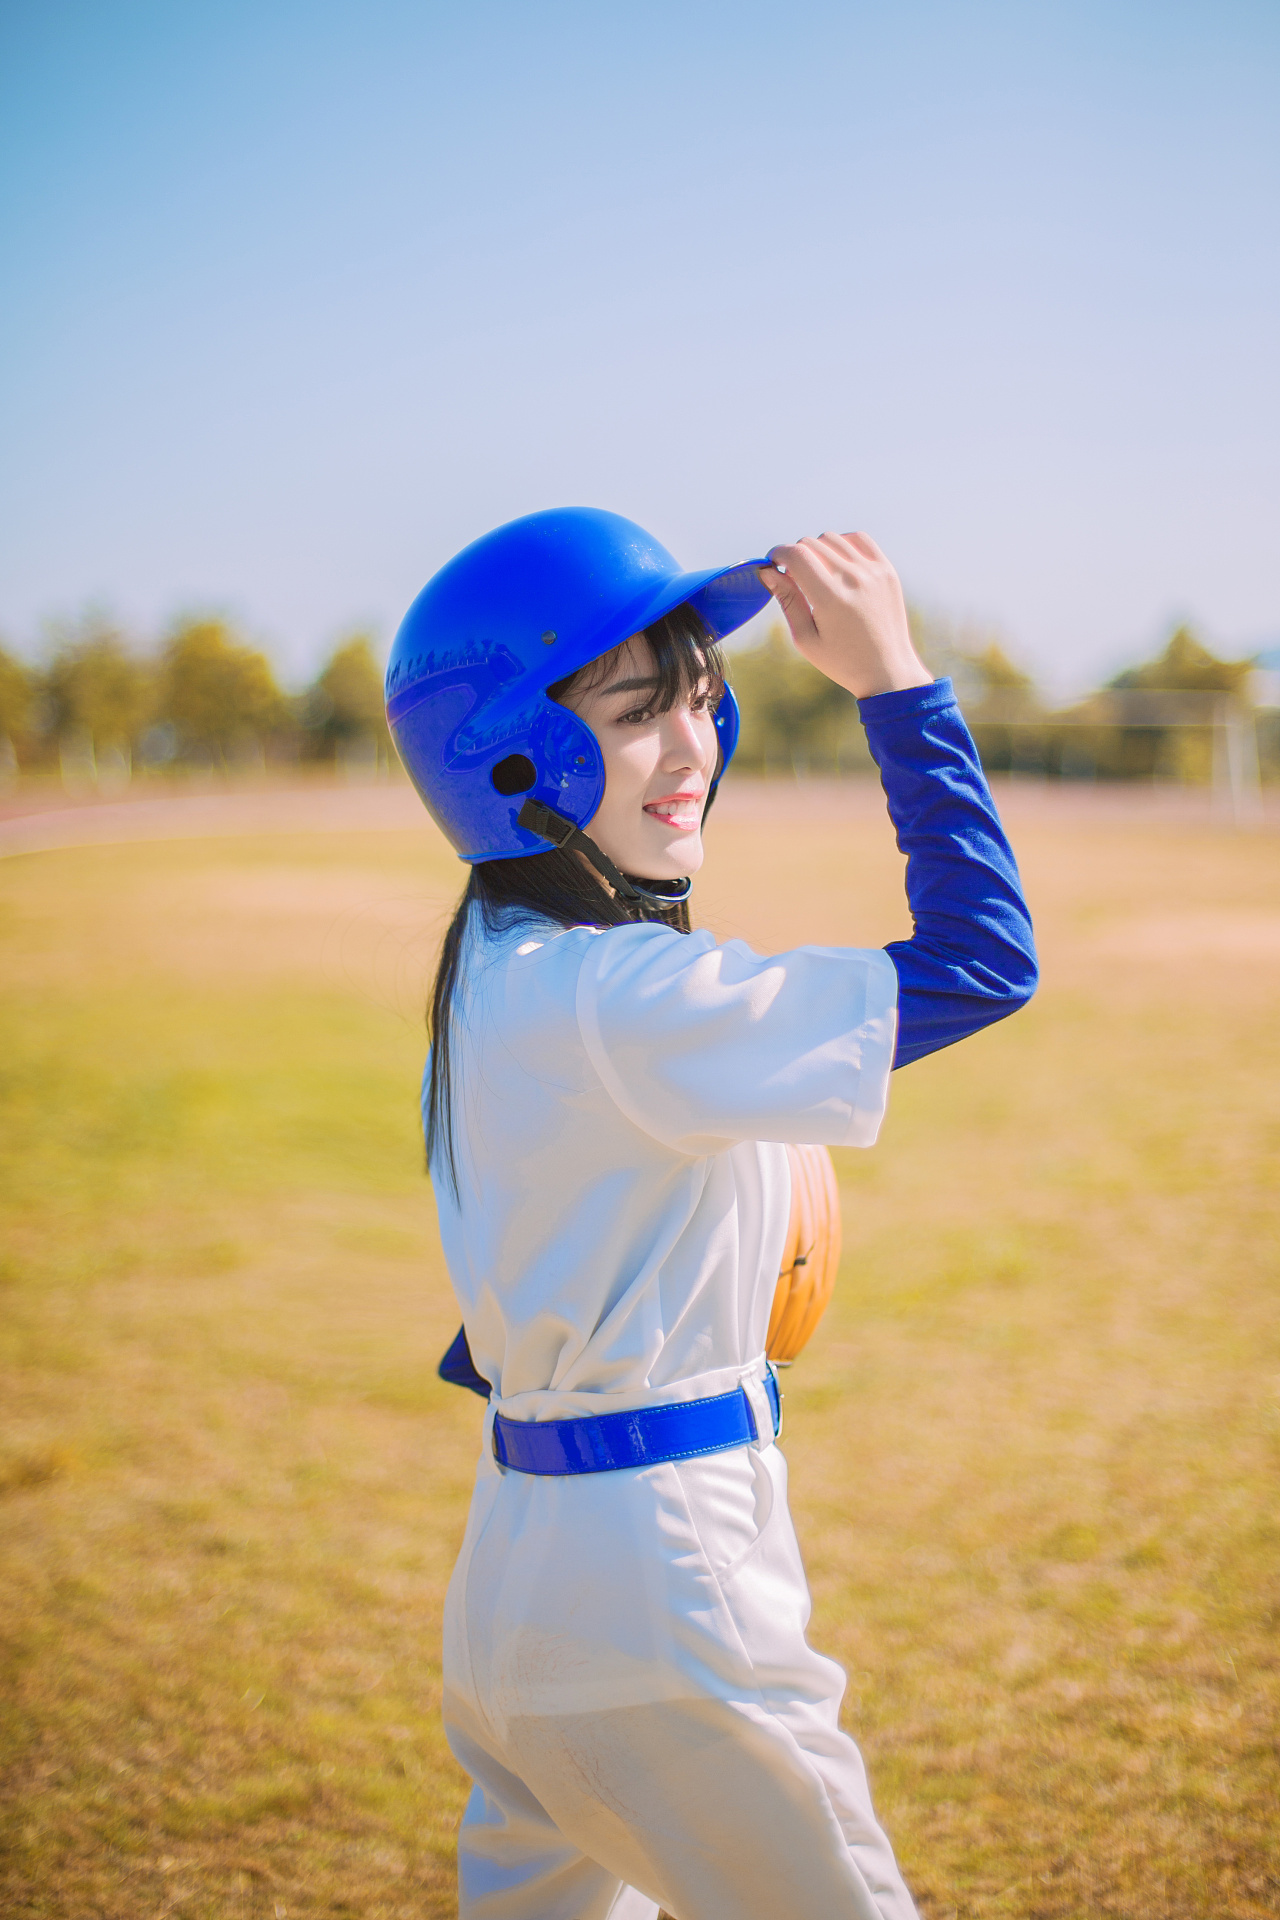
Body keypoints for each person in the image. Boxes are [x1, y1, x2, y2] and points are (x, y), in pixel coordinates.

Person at [385, 509, 1037, 1920]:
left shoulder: (500, 968)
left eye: (699, 702)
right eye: (636, 714)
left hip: (516, 1583)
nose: (694, 748)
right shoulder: (620, 998)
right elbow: (986, 960)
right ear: (515, 754)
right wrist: (897, 686)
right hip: (664, 1588)